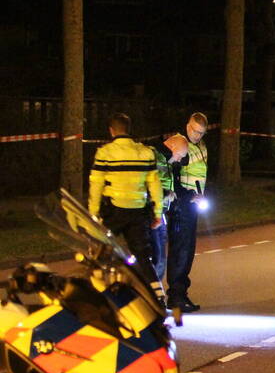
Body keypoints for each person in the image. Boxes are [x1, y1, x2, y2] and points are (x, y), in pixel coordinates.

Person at [88, 112, 165, 302]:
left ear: (111, 131)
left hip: (113, 211)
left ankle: (96, 296)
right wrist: (157, 212)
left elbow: (96, 184)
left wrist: (92, 213)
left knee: (100, 254)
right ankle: (158, 297)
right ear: (129, 130)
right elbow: (154, 184)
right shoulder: (146, 153)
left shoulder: (105, 153)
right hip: (138, 212)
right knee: (143, 257)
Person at [165, 112, 209, 313]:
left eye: (201, 133)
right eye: (194, 130)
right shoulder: (179, 144)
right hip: (181, 205)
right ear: (187, 126)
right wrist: (188, 195)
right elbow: (171, 177)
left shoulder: (201, 147)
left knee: (187, 250)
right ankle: (176, 297)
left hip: (192, 203)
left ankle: (180, 294)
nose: (197, 135)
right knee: (181, 251)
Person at [150, 134, 188, 282]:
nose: (179, 160)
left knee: (160, 260)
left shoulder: (165, 160)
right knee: (156, 259)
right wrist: (166, 194)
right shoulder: (153, 156)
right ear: (172, 147)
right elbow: (147, 184)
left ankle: (157, 296)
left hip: (161, 214)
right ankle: (154, 297)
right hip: (152, 214)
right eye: (180, 155)